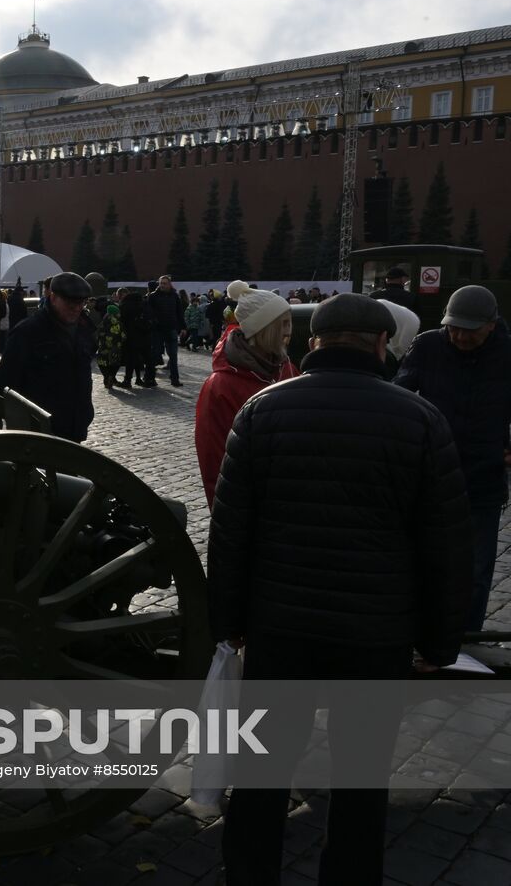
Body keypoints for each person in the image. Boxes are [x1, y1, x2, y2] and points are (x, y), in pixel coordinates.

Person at [208, 292, 471, 886]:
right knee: (361, 779)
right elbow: (446, 545)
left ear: (313, 343)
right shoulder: (420, 419)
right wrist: (439, 643)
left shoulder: (261, 410)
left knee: (261, 771)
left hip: (281, 627)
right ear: (381, 345)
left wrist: (229, 623)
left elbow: (230, 531)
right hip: (374, 633)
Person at [394, 284, 511, 631]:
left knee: (476, 566)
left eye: (469, 330)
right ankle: (420, 630)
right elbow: (400, 393)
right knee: (422, 558)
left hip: (484, 476)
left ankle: (467, 636)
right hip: (432, 471)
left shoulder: (507, 353)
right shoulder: (427, 345)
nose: (459, 336)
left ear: (491, 325)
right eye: (453, 327)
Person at [193, 281, 297, 507]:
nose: (289, 330)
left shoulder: (287, 368)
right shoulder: (220, 386)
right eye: (283, 324)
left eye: (290, 322)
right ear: (263, 329)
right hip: (252, 506)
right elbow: (215, 462)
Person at [0, 271, 97, 442]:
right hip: (38, 430)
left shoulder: (85, 329)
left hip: (75, 425)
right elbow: (5, 382)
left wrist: (85, 414)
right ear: (53, 298)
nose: (76, 308)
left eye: (81, 303)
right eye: (70, 303)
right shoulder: (27, 332)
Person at [144, 274, 186, 387]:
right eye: (161, 283)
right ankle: (149, 378)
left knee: (173, 355)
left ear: (169, 284)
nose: (162, 285)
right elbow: (148, 312)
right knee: (154, 354)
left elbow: (179, 312)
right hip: (157, 330)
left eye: (165, 283)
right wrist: (154, 322)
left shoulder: (175, 296)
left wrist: (183, 327)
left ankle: (175, 379)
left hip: (171, 328)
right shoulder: (153, 296)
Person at [118, 288, 152, 388]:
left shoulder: (125, 305)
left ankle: (127, 380)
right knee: (145, 358)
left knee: (130, 359)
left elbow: (122, 320)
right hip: (145, 335)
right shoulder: (144, 303)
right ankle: (147, 379)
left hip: (131, 336)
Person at [96, 302, 125, 390]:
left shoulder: (103, 322)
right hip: (115, 347)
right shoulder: (118, 323)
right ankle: (111, 376)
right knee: (115, 363)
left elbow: (98, 334)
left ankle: (106, 377)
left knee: (102, 363)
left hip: (103, 347)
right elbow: (123, 336)